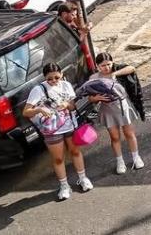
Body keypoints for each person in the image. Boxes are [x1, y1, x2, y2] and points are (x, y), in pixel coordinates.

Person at [23, 63, 92, 201]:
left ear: (61, 74)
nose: (54, 81)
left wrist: (66, 104)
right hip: (51, 130)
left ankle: (83, 178)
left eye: (56, 77)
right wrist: (40, 109)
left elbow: (72, 106)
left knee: (75, 152)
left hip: (69, 125)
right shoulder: (38, 89)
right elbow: (26, 112)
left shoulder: (66, 85)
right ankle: (64, 186)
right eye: (50, 79)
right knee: (58, 158)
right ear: (44, 78)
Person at [88, 53, 144, 174]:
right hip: (108, 109)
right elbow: (90, 98)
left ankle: (136, 157)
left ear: (112, 63)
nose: (106, 67)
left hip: (123, 106)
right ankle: (120, 161)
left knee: (129, 133)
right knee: (114, 137)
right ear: (97, 66)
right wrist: (96, 97)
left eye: (108, 64)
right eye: (103, 65)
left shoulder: (118, 70)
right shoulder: (94, 78)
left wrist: (114, 74)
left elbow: (132, 68)